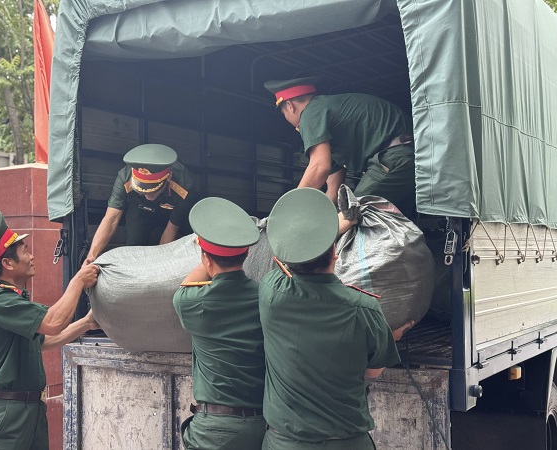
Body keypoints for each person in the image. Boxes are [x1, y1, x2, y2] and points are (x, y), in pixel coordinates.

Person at [259, 188, 404, 450]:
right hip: (347, 443)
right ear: (335, 252)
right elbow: (372, 371)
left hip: (285, 443)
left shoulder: (271, 293)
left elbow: (282, 255)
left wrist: (339, 224)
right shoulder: (365, 308)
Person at [0, 211, 100, 450]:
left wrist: (87, 323)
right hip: (6, 415)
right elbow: (53, 322)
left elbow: (46, 340)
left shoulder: (11, 299)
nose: (31, 256)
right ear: (8, 264)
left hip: (30, 410)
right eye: (25, 251)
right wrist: (78, 281)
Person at [173, 197, 266, 450]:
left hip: (212, 433)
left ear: (206, 259)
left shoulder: (189, 301)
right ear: (247, 254)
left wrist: (208, 255)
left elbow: (187, 284)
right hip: (261, 428)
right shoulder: (267, 297)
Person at [264, 77, 415, 218]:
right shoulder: (328, 119)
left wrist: (290, 209)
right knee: (396, 222)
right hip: (410, 158)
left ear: (290, 106)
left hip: (393, 158)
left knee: (354, 212)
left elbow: (319, 167)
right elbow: (333, 190)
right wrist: (326, 218)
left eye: (283, 113)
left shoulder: (311, 113)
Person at [85, 143, 199, 263]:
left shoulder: (185, 186)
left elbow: (171, 229)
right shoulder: (125, 176)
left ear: (168, 176)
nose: (147, 195)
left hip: (173, 212)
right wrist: (91, 257)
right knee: (134, 246)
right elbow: (111, 218)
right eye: (142, 190)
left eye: (153, 190)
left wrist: (159, 266)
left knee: (183, 245)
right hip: (140, 209)